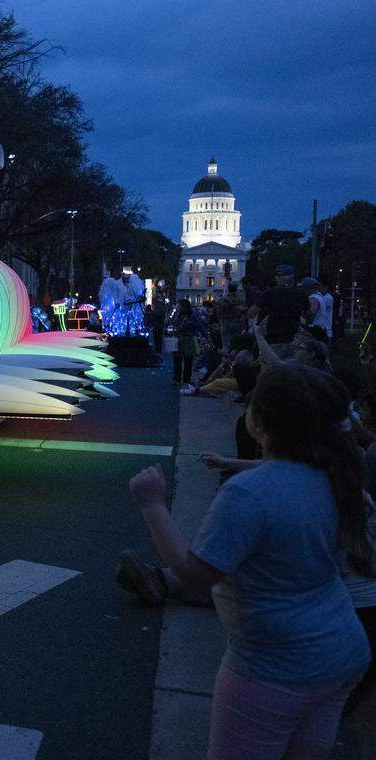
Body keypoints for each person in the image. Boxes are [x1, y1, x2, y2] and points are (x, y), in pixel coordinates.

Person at [129, 363, 371, 758]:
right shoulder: (334, 476)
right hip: (341, 653)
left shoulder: (248, 495)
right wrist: (234, 464)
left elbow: (195, 574)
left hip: (274, 667)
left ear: (261, 420)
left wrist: (153, 503)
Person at [250, 265, 308, 359]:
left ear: (276, 278)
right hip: (294, 338)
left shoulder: (269, 293)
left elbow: (251, 313)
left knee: (274, 369)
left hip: (275, 340)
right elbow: (309, 313)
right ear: (292, 277)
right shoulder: (301, 293)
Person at [172, 300, 206, 385]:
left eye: (179, 305)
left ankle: (183, 379)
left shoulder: (190, 316)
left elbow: (200, 326)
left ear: (183, 307)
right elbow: (200, 327)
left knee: (186, 360)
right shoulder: (178, 315)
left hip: (186, 339)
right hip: (182, 339)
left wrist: (205, 334)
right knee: (180, 360)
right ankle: (179, 379)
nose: (178, 307)